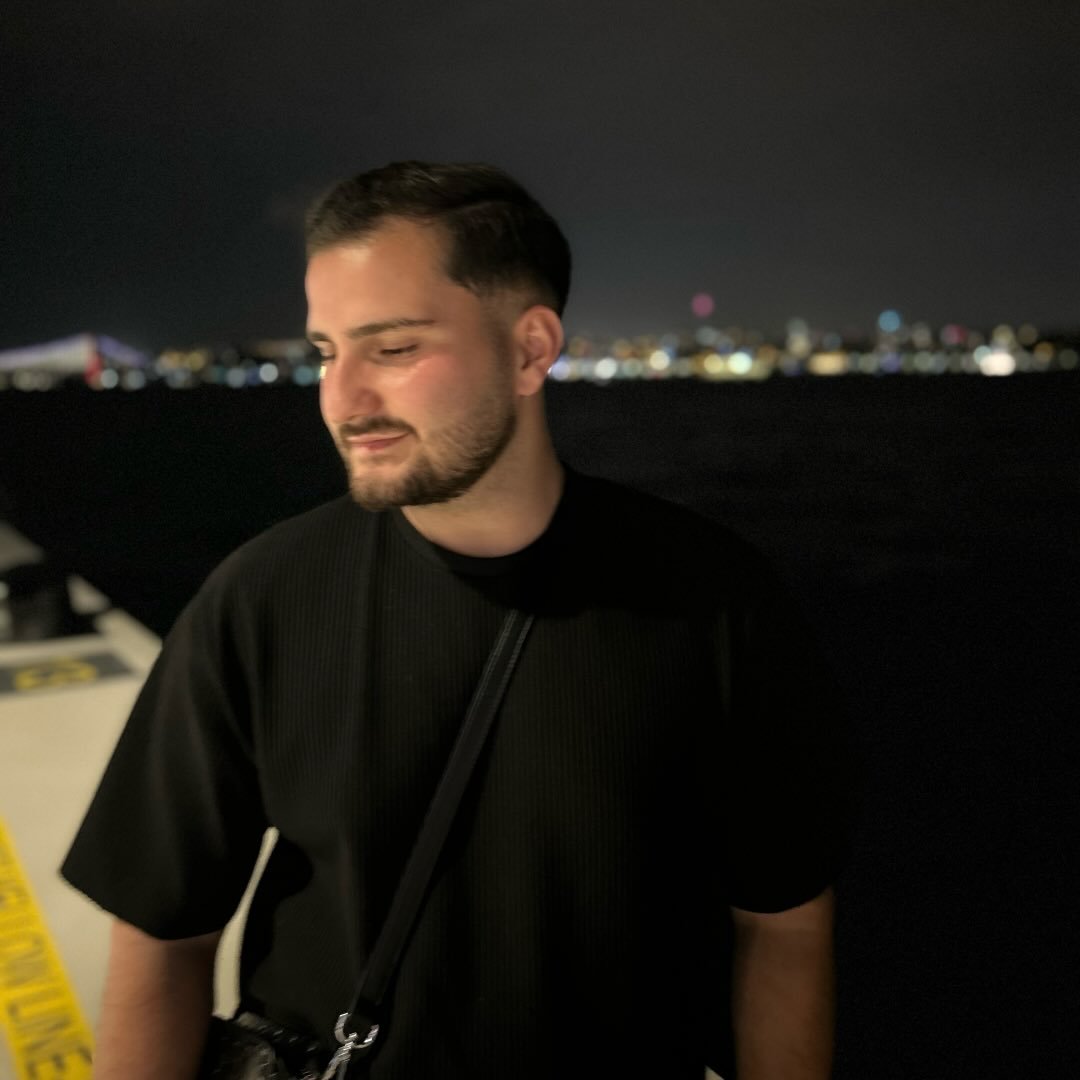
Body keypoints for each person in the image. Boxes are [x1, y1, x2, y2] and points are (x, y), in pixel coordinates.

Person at [61, 161, 853, 1079]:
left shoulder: (712, 599)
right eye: (326, 353)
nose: (343, 400)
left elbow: (783, 925)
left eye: (394, 349)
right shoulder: (261, 600)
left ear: (529, 349)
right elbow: (163, 937)